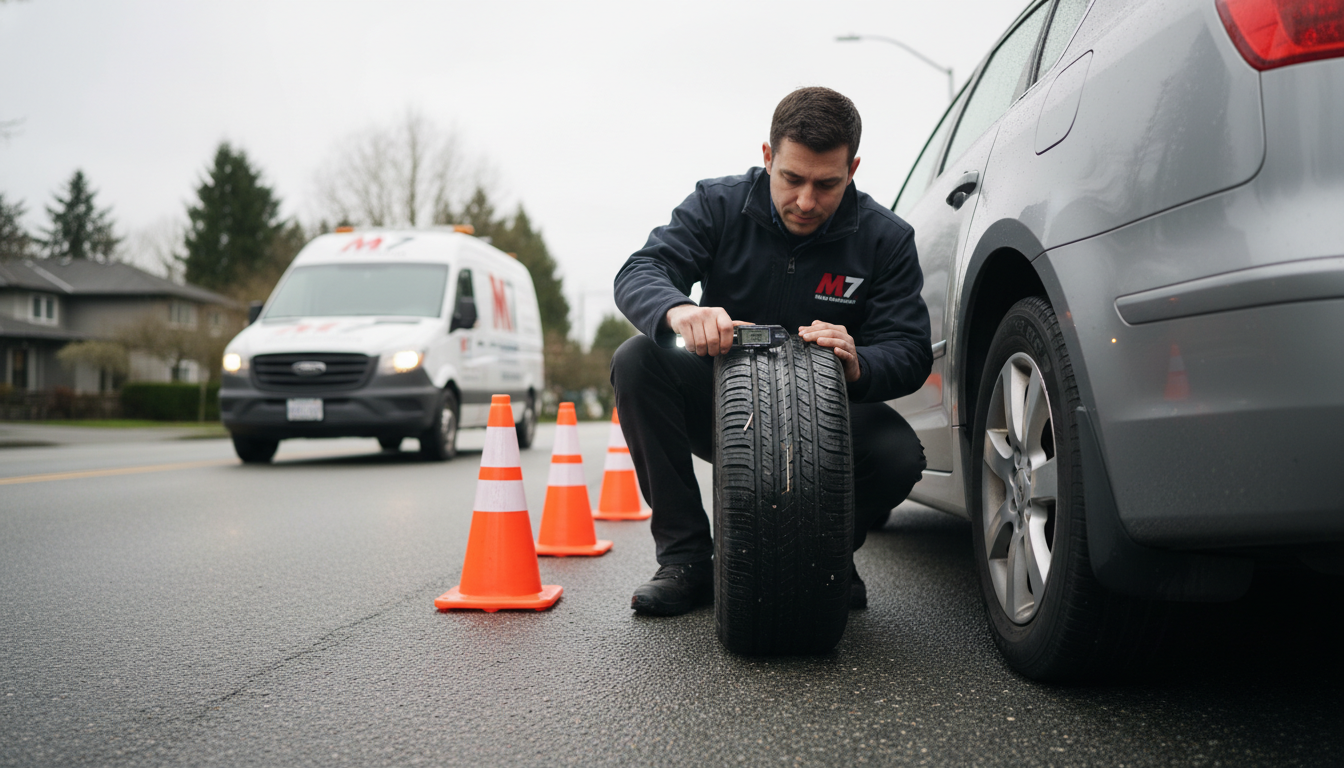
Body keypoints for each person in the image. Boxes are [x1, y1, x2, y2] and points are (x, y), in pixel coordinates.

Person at [611, 86, 932, 616]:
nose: (806, 202)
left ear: (852, 169)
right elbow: (640, 271)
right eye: (792, 178)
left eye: (827, 184)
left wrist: (860, 363)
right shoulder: (717, 203)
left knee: (899, 456)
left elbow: (910, 350)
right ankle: (687, 560)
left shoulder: (886, 238)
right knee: (637, 360)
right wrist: (679, 312)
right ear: (767, 158)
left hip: (826, 416)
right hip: (724, 404)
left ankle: (825, 557)